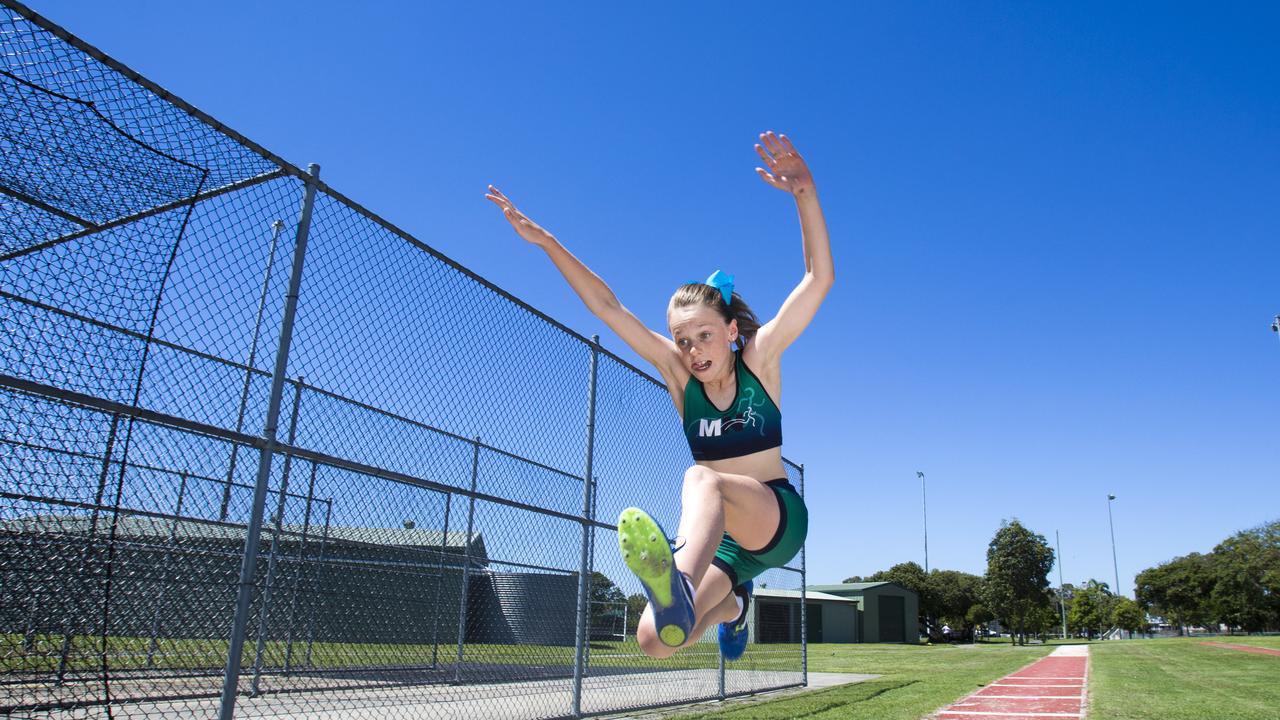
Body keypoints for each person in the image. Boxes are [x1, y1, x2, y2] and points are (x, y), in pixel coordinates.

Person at [486, 131, 833, 660]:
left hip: (775, 518)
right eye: (682, 340)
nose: (694, 350)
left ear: (731, 332)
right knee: (656, 641)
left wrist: (805, 194)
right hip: (725, 543)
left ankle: (681, 585)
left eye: (704, 335)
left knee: (702, 477)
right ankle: (736, 607)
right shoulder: (681, 379)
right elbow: (608, 307)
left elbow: (817, 279)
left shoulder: (759, 360)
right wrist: (548, 243)